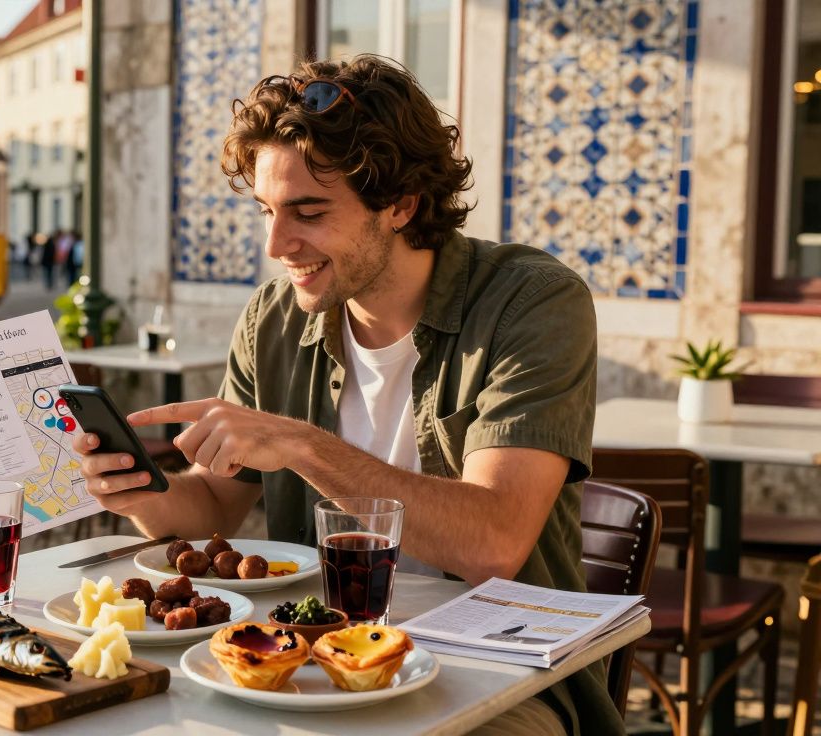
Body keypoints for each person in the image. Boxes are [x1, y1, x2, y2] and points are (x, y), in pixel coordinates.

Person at [74, 56, 612, 735]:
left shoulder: (531, 303)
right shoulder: (272, 320)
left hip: (499, 681)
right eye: (268, 210)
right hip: (310, 669)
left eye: (307, 211)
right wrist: (136, 488)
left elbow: (493, 541)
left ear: (401, 203)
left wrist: (301, 446)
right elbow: (211, 504)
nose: (276, 243)